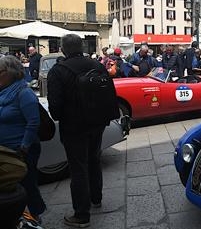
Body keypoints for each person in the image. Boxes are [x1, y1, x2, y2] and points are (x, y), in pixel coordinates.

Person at [47, 34, 118, 227]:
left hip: (73, 128)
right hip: (98, 123)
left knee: (78, 167)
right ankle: (96, 198)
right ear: (81, 46)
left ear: (63, 49)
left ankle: (81, 215)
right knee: (94, 159)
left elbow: (55, 109)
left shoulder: (58, 71)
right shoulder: (97, 66)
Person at [0, 55, 46, 228]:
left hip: (22, 149)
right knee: (10, 185)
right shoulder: (3, 91)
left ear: (9, 73)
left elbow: (33, 122)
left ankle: (35, 214)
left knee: (27, 184)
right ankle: (16, 215)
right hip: (5, 149)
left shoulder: (23, 92)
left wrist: (24, 146)